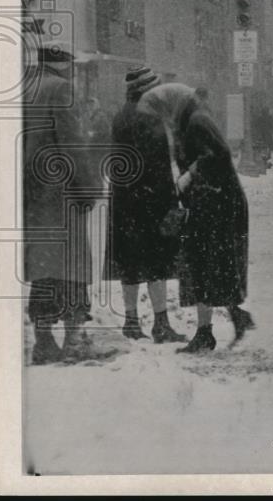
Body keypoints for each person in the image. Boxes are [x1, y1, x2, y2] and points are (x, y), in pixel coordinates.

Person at [138, 83, 254, 353]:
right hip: (211, 203)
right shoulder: (189, 121)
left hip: (216, 205)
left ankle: (207, 332)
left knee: (205, 265)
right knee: (212, 265)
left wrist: (189, 176)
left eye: (162, 113)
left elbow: (218, 155)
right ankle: (232, 317)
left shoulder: (196, 122)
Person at [23, 45, 112, 363]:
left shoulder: (25, 86)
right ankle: (75, 339)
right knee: (73, 266)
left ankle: (43, 340)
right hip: (62, 194)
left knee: (43, 268)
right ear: (61, 66)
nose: (74, 72)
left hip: (33, 195)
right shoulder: (62, 90)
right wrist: (89, 189)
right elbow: (72, 144)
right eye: (71, 67)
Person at [104, 66, 186, 343]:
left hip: (125, 201)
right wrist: (170, 202)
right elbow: (157, 166)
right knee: (157, 264)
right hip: (150, 203)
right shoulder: (148, 117)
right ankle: (161, 324)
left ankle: (131, 321)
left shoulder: (121, 116)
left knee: (129, 265)